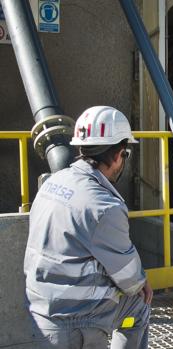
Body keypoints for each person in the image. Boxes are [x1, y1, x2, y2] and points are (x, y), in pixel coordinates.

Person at [24, 106, 152, 348]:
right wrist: (140, 280)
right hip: (76, 319)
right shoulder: (105, 206)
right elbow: (129, 279)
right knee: (138, 304)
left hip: (40, 305)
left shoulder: (53, 183)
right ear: (118, 154)